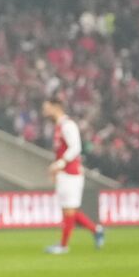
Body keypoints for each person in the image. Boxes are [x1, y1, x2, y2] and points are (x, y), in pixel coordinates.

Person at [44, 95, 104, 255]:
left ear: (56, 107)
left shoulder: (67, 125)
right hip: (64, 173)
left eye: (47, 107)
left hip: (71, 173)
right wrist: (57, 169)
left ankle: (63, 246)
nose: (44, 110)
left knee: (69, 211)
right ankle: (96, 230)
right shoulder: (58, 127)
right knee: (68, 211)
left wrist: (61, 164)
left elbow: (75, 148)